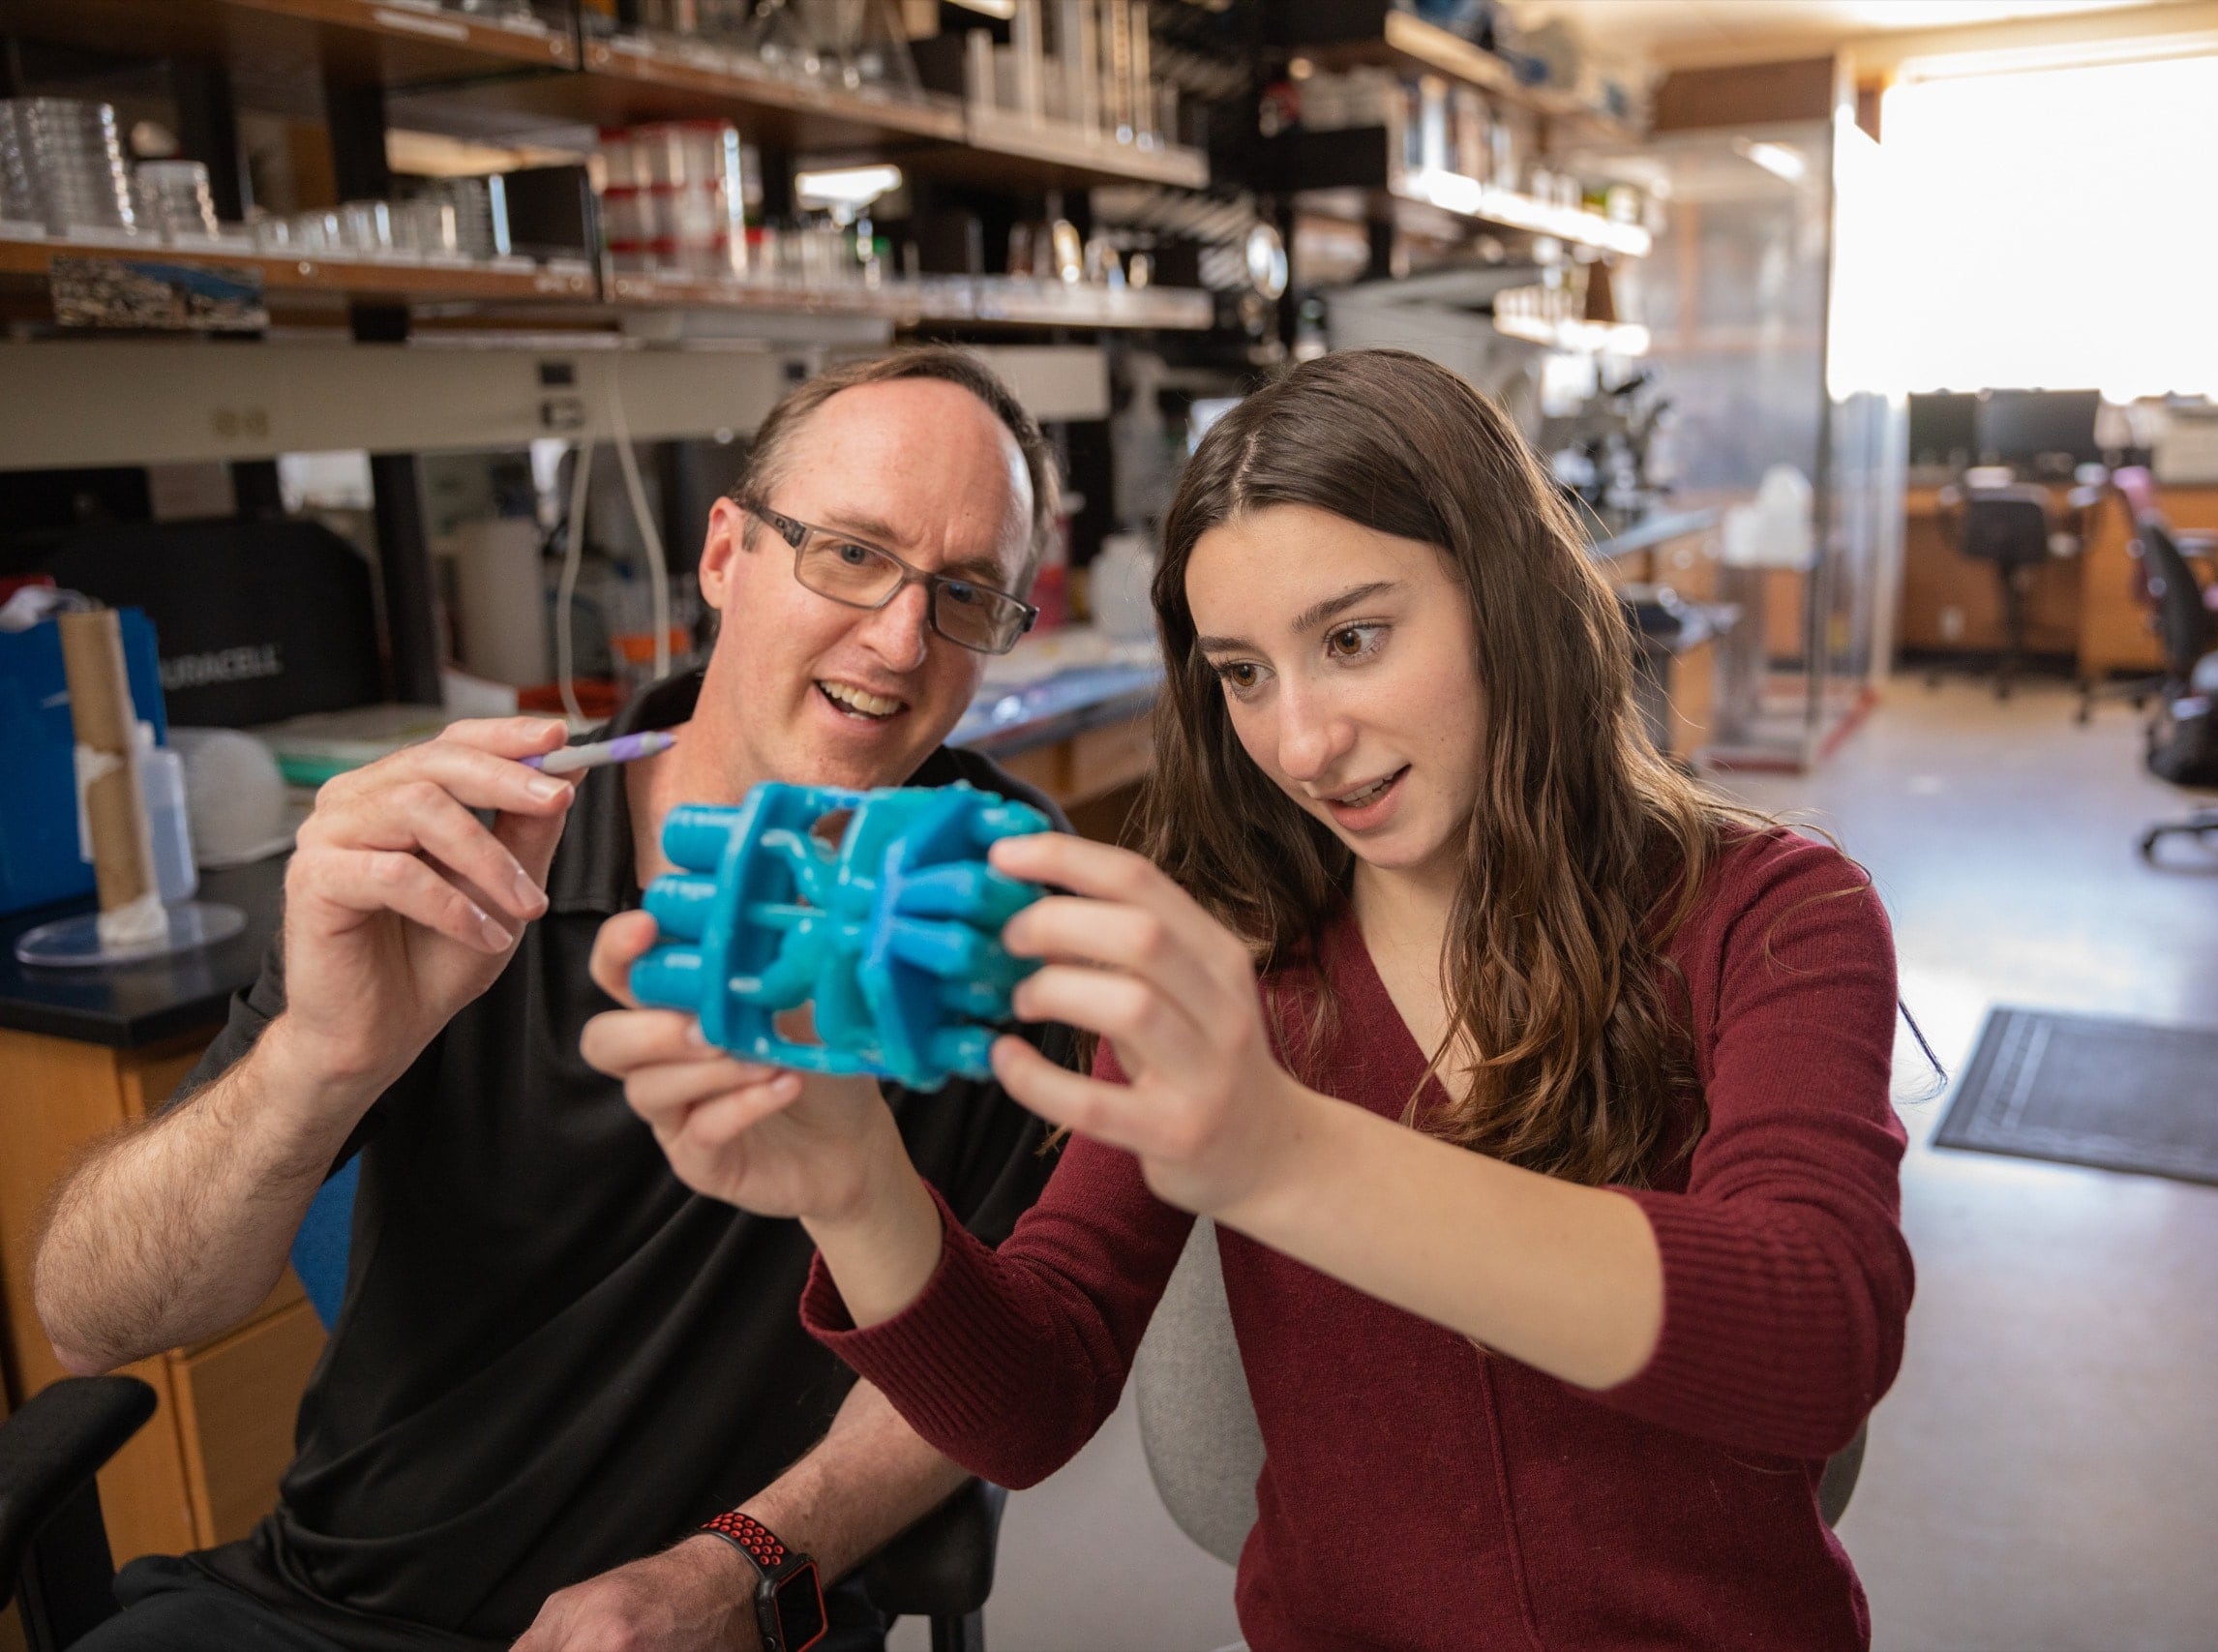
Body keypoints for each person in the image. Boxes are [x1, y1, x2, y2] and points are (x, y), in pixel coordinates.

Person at [590, 348, 1915, 1649]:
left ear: (1507, 595)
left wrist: (1279, 1155)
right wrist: (854, 1184)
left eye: (1353, 638)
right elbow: (1030, 1405)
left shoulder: (1775, 914)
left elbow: (1816, 1339)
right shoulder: (1234, 958)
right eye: (1242, 674)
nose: (1302, 744)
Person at [33, 346, 1073, 1652]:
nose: (902, 638)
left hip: (720, 1613)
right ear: (724, 553)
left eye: (966, 591)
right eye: (851, 554)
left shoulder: (996, 905)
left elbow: (985, 1359)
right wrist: (322, 1057)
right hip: (330, 1609)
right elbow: (90, 1321)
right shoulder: (467, 854)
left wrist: (737, 1570)